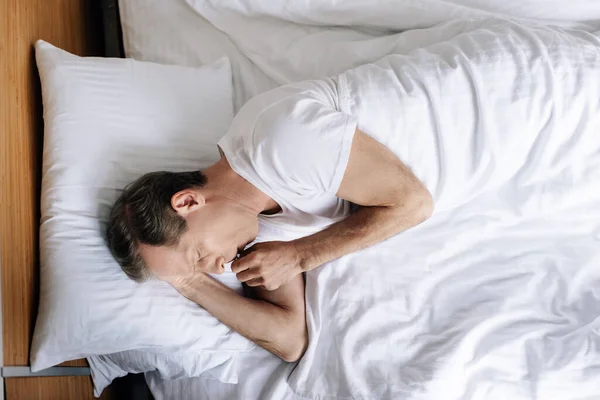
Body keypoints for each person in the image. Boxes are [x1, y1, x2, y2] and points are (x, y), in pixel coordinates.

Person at [106, 76, 434, 362]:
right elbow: (290, 340)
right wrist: (188, 281)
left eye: (198, 256)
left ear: (189, 201)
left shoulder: (279, 140)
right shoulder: (257, 230)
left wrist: (301, 255)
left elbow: (414, 204)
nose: (219, 268)